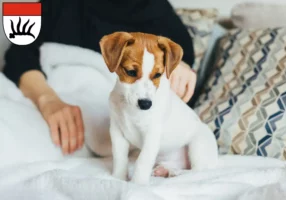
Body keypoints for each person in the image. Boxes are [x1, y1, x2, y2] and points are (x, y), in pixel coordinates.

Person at [3, 0, 196, 155]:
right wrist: (48, 100)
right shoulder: (57, 5)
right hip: (44, 95)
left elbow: (182, 56)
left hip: (103, 112)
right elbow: (18, 56)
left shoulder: (153, 8)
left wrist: (180, 68)